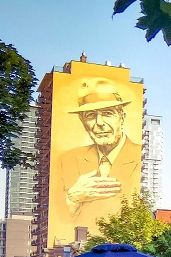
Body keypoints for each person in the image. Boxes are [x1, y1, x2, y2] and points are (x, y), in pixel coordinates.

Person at [59, 78, 142, 226]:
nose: (99, 122)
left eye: (108, 113)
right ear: (83, 122)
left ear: (122, 118)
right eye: (91, 115)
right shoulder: (67, 159)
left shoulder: (141, 157)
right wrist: (72, 198)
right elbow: (58, 220)